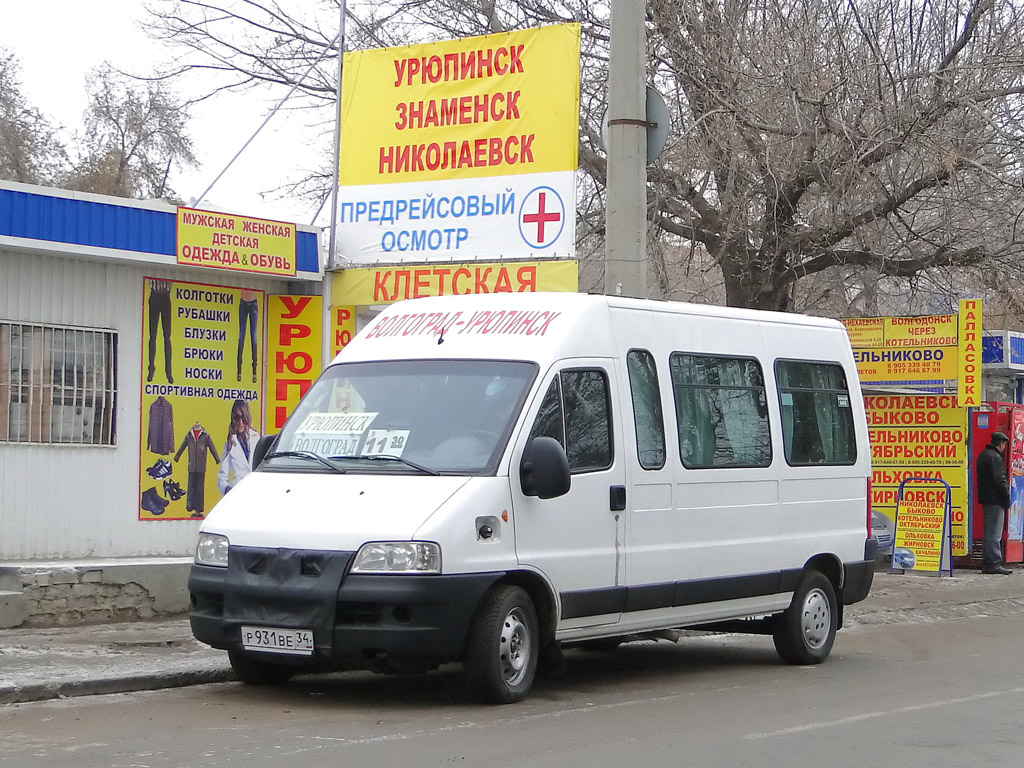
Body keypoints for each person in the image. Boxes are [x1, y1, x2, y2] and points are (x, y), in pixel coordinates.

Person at [976, 431, 1013, 575]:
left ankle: (987, 562)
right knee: (994, 533)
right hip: (995, 499)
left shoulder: (983, 455)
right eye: (1004, 444)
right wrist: (1006, 497)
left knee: (989, 532)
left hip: (986, 499)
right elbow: (1000, 481)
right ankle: (993, 563)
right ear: (1001, 444)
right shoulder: (995, 457)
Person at [218, 399, 260, 495]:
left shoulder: (256, 439)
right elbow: (221, 477)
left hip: (255, 491)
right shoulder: (230, 444)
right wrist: (227, 489)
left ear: (247, 417)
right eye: (237, 418)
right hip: (237, 491)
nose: (240, 422)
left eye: (243, 418)